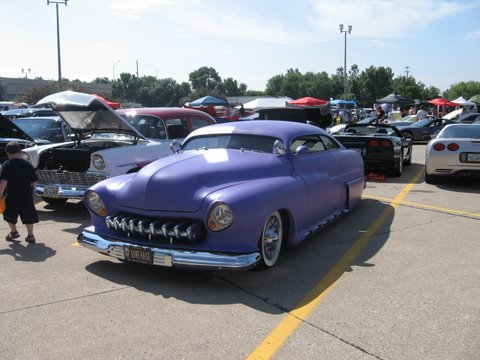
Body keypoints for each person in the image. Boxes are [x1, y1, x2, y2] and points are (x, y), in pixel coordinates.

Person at [0, 141, 39, 243]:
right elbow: (34, 181)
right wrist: (32, 191)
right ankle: (30, 236)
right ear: (21, 152)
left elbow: (3, 182)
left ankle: (14, 232)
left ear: (7, 153)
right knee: (29, 216)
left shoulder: (7, 165)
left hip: (12, 196)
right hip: (26, 195)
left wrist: (0, 194)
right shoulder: (28, 165)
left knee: (9, 215)